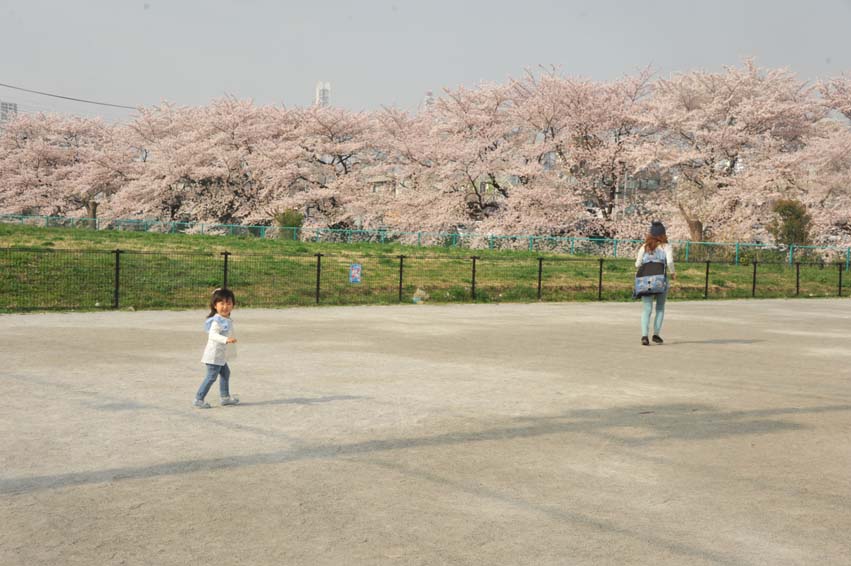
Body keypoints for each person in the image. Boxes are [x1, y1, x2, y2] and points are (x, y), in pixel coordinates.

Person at [194, 288, 239, 408]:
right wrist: (226, 339)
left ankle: (225, 397)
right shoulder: (217, 321)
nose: (225, 306)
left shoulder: (225, 319)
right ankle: (199, 399)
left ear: (233, 305)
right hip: (214, 356)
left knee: (225, 373)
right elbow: (213, 335)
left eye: (229, 303)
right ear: (215, 306)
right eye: (222, 303)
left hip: (220, 356)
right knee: (211, 377)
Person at [635, 221, 676, 346]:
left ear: (650, 233)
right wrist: (673, 272)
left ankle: (644, 336)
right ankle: (656, 334)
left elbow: (637, 264)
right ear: (663, 234)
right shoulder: (666, 247)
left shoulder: (644, 247)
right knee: (660, 308)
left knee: (646, 309)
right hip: (660, 280)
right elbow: (669, 262)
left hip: (646, 279)